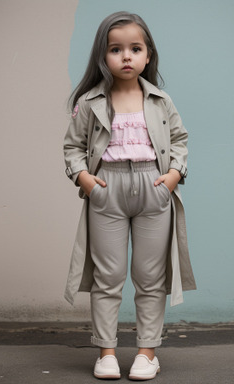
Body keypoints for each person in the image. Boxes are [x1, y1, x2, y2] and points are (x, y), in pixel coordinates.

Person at [64, 11, 196, 381]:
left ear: (148, 54)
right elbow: (72, 147)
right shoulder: (90, 102)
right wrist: (85, 180)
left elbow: (180, 140)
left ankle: (146, 352)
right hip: (107, 189)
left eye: (135, 49)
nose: (126, 57)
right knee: (109, 275)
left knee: (150, 276)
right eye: (116, 49)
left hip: (154, 189)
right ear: (102, 57)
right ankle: (106, 352)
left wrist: (172, 175)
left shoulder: (160, 101)